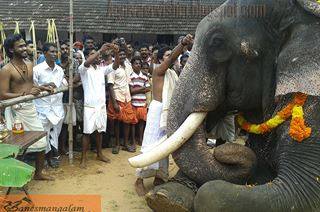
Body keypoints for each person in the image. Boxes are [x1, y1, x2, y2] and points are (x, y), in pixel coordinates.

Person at [135, 34, 193, 196]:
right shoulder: (158, 70)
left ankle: (160, 178)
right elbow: (172, 58)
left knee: (164, 146)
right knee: (151, 145)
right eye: (167, 55)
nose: (170, 57)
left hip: (169, 113)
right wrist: (181, 44)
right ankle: (139, 179)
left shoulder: (174, 73)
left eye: (170, 55)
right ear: (161, 60)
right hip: (157, 111)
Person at [0, 34, 53, 180]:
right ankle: (12, 177)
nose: (25, 48)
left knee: (41, 140)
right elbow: (3, 95)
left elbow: (29, 86)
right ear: (11, 50)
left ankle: (38, 173)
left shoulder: (29, 63)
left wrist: (43, 87)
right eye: (21, 46)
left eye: (25, 45)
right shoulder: (6, 69)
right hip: (16, 111)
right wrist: (25, 93)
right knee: (15, 145)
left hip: (30, 108)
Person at [78, 43, 120, 168]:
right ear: (86, 57)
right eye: (92, 54)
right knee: (86, 133)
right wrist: (100, 50)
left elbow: (115, 65)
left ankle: (99, 154)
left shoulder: (101, 69)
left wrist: (116, 53)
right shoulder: (83, 69)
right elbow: (87, 63)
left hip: (101, 106)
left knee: (99, 131)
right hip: (90, 107)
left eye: (96, 54)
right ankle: (83, 158)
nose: (96, 56)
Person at [33, 42, 66, 168]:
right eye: (51, 51)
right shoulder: (37, 69)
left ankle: (53, 154)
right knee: (44, 135)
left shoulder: (59, 70)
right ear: (45, 53)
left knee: (55, 133)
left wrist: (57, 86)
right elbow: (33, 87)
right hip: (43, 108)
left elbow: (63, 84)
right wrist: (45, 87)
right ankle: (47, 157)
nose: (54, 54)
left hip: (57, 108)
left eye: (55, 51)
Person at [107, 48, 138, 154]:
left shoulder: (128, 66)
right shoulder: (112, 68)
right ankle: (116, 144)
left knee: (127, 121)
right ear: (116, 56)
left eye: (123, 54)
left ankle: (125, 143)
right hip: (117, 97)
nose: (122, 56)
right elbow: (110, 86)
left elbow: (128, 83)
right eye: (120, 55)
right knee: (116, 121)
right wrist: (114, 102)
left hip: (127, 98)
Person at [129, 57, 150, 146]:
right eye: (136, 63)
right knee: (133, 123)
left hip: (142, 103)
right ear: (132, 65)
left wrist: (136, 89)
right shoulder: (130, 76)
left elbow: (148, 88)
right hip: (133, 103)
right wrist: (142, 88)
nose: (138, 65)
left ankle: (141, 139)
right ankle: (133, 140)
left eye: (139, 63)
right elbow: (131, 91)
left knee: (141, 122)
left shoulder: (144, 76)